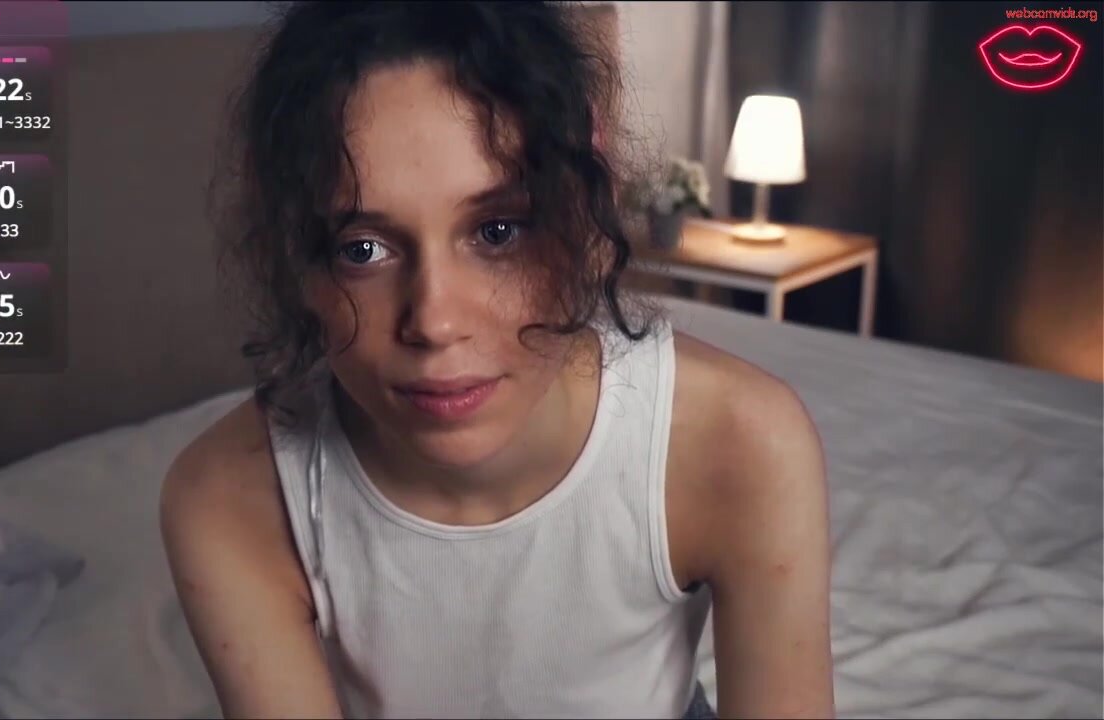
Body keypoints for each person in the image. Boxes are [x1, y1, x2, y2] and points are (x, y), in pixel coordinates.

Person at [161, 2, 834, 718]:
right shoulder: (228, 495)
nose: (435, 322)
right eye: (362, 249)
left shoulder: (741, 437)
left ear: (585, 214)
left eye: (498, 231)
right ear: (297, 265)